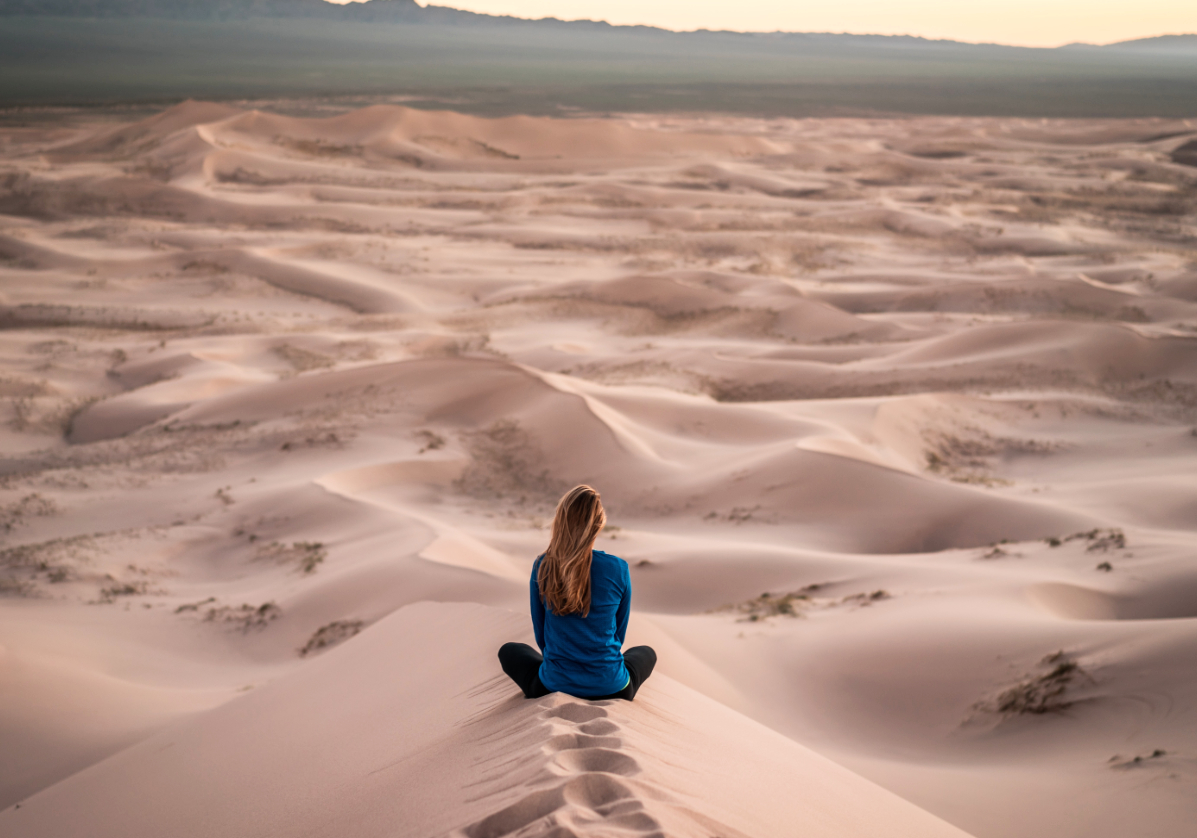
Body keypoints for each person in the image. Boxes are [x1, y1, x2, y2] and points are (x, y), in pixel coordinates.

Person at [498, 485, 656, 701]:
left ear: (560, 521)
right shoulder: (618, 568)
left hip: (553, 684)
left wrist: (565, 665)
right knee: (646, 652)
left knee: (510, 651)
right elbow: (619, 634)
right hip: (612, 686)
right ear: (599, 524)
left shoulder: (544, 565)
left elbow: (541, 634)